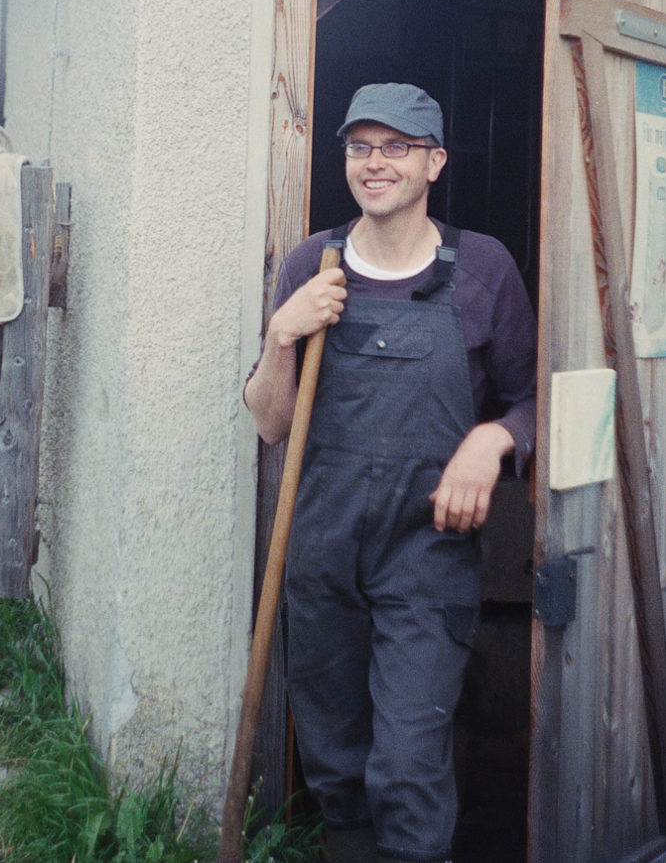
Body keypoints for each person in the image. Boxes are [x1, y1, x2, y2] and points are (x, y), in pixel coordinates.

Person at [244, 83, 536, 863]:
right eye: (359, 147)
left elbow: (533, 399)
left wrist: (491, 441)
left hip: (427, 552)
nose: (375, 163)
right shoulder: (314, 262)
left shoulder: (482, 270)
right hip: (323, 546)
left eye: (396, 146)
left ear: (435, 161)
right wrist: (281, 335)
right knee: (336, 762)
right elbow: (271, 420)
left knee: (406, 763)